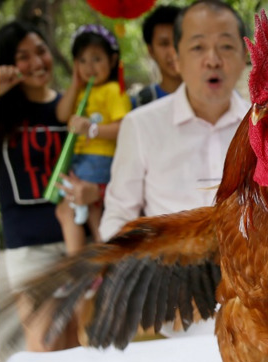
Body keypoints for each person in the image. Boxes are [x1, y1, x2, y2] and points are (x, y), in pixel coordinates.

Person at [99, 0, 250, 241]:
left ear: (244, 58)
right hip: (166, 271)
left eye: (226, 46)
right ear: (177, 60)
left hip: (251, 276)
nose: (213, 60)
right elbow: (118, 217)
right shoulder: (140, 126)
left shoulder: (267, 126)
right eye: (198, 47)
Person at [0, 21, 99, 352]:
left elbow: (101, 168)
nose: (37, 62)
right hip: (30, 250)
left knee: (80, 346)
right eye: (23, 57)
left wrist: (93, 193)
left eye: (41, 51)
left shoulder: (73, 109)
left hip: (76, 242)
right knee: (45, 347)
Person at [55, 24, 132, 254]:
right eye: (82, 60)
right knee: (81, 213)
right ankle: (99, 269)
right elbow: (61, 114)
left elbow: (123, 127)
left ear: (112, 60)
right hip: (79, 160)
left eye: (97, 59)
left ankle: (91, 268)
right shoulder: (80, 91)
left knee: (77, 212)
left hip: (98, 160)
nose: (89, 67)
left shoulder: (113, 91)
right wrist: (75, 84)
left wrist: (92, 129)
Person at [130, 5, 183, 109]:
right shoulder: (140, 103)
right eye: (164, 44)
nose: (173, 51)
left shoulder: (214, 97)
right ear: (151, 51)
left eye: (178, 41)